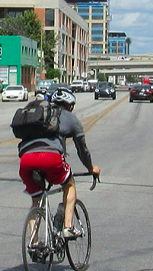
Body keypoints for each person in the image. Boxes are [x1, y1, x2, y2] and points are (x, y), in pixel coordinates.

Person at [17, 88, 100, 239]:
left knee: (36, 199)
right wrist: (90, 168)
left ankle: (34, 242)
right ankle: (68, 227)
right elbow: (83, 150)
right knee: (69, 184)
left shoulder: (41, 116)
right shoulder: (71, 118)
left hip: (26, 160)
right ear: (71, 106)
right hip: (50, 158)